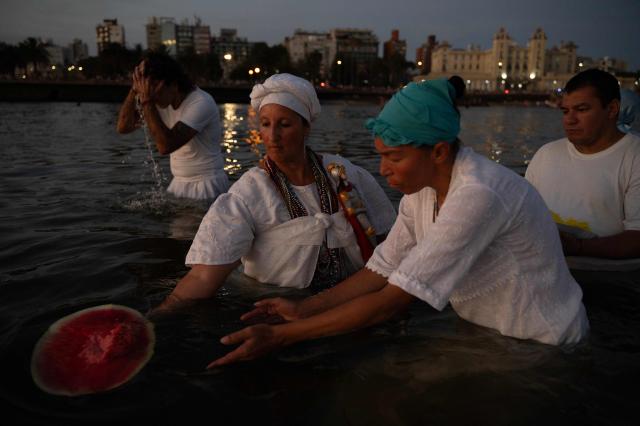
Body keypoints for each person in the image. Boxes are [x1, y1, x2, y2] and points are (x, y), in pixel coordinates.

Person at [207, 79, 589, 368]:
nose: (382, 169)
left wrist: (280, 336)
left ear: (438, 151)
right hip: (490, 333)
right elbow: (381, 270)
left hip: (544, 344)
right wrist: (305, 308)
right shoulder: (421, 191)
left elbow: (390, 302)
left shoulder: (478, 193)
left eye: (393, 157)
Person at [152, 73, 397, 312]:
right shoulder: (249, 193)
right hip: (277, 311)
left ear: (306, 127)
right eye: (265, 124)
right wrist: (159, 315)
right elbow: (203, 277)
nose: (272, 136)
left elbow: (391, 241)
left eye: (285, 124)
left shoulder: (345, 174)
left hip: (355, 303)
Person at [525, 69, 640, 260]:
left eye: (582, 110)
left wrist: (577, 247)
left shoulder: (634, 157)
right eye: (565, 111)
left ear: (612, 109)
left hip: (607, 279)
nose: (570, 120)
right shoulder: (546, 154)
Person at [116, 52, 229, 201]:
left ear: (174, 85)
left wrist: (147, 102)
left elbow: (165, 146)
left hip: (206, 184)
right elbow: (123, 127)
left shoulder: (201, 102)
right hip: (178, 182)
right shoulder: (157, 100)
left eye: (156, 90)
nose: (153, 96)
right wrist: (134, 89)